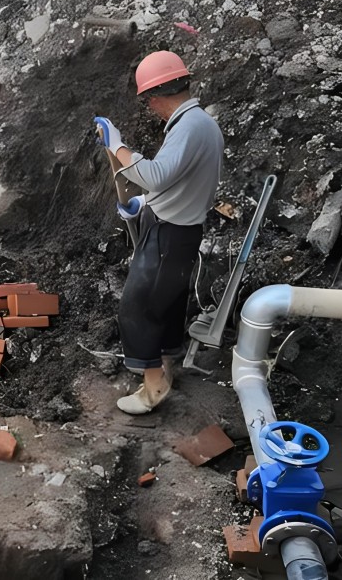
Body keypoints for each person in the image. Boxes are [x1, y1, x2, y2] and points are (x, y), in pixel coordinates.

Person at [95, 50, 224, 415]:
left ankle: (153, 389)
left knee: (138, 307)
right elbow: (181, 181)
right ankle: (167, 368)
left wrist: (117, 146)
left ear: (157, 96)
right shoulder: (202, 125)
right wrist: (146, 205)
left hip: (171, 235)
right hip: (178, 229)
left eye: (150, 102)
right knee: (166, 305)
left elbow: (154, 175)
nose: (152, 109)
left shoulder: (189, 127)